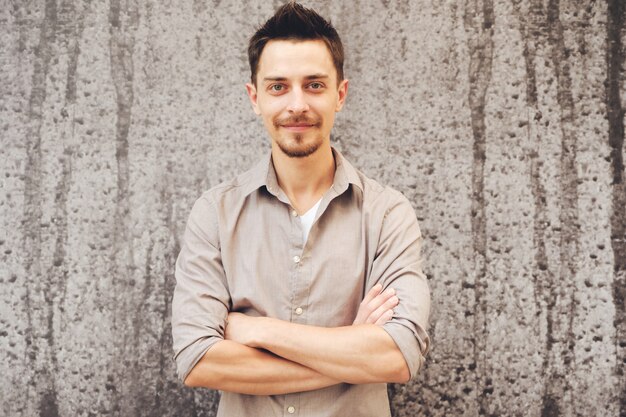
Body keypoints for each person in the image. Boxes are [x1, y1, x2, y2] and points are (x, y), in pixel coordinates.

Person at [171, 2, 430, 416]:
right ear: (254, 98)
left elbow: (398, 357)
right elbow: (198, 360)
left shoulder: (387, 214)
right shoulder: (214, 213)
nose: (297, 105)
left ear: (340, 94)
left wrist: (256, 330)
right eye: (278, 87)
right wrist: (352, 349)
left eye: (314, 85)